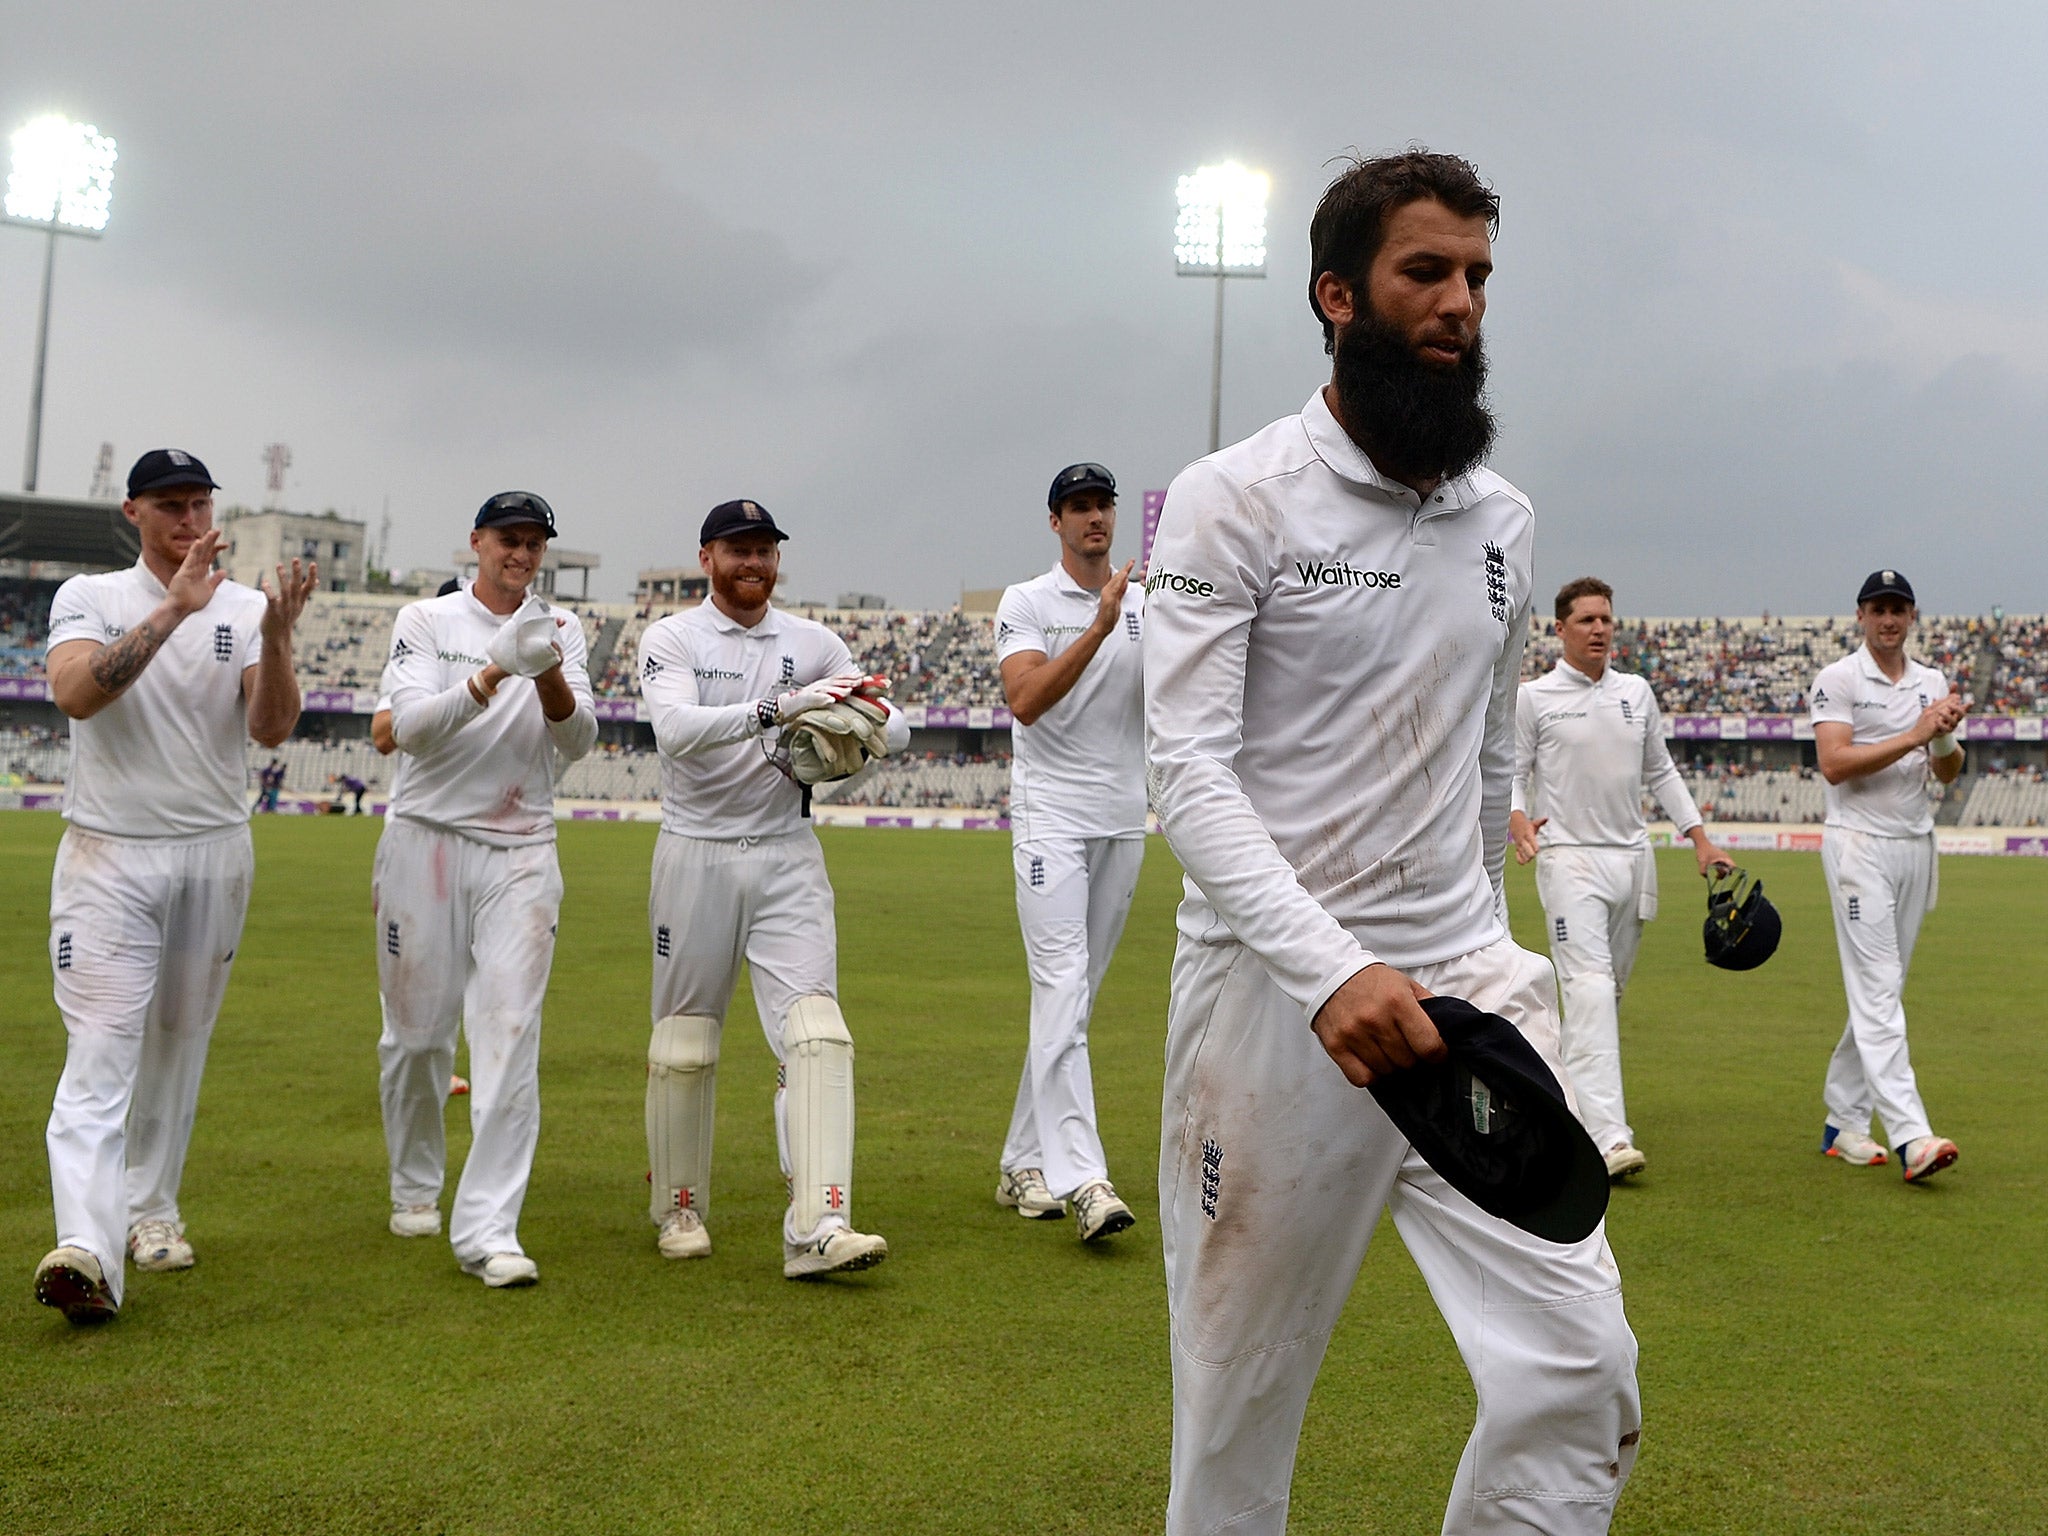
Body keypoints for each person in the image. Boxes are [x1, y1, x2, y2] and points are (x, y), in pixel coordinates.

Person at [1143, 151, 1640, 1532]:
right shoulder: (1232, 498)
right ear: (1336, 294)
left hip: (1463, 990)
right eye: (1427, 271)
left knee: (1580, 1372)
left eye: (1478, 276)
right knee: (1236, 1416)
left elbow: (1487, 754)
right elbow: (1186, 773)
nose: (1461, 302)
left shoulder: (1504, 518)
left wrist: (1477, 937)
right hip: (1278, 1004)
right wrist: (1328, 969)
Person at [33, 449, 316, 1324]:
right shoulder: (90, 597)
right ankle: (86, 1243)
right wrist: (171, 610)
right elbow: (78, 695)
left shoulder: (243, 607)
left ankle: (152, 1212)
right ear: (134, 513)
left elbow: (270, 729)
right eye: (170, 506)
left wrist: (275, 636)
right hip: (110, 853)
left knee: (177, 1043)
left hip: (213, 851)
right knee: (102, 1046)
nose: (190, 521)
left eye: (199, 504)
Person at [636, 499, 908, 1278]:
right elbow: (675, 731)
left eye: (765, 551)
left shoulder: (814, 641)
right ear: (707, 558)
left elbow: (887, 722)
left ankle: (819, 1225)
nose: (754, 563)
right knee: (685, 1041)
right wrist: (785, 708)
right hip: (697, 854)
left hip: (789, 852)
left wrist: (862, 722)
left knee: (817, 1033)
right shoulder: (674, 637)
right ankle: (680, 1205)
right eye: (739, 550)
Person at [373, 491, 596, 1288]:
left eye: (536, 543)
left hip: (522, 850)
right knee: (419, 1037)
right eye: (510, 539)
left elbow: (579, 742)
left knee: (508, 1035)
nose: (523, 554)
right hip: (425, 841)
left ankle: (490, 1230)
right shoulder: (426, 623)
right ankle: (414, 1183)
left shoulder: (563, 629)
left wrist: (547, 677)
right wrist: (498, 668)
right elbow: (409, 730)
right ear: (477, 542)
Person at [1509, 577, 1733, 1180]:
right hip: (1568, 858)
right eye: (1585, 620)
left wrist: (1700, 837)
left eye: (1605, 618)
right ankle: (1608, 1139)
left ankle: (1561, 1099)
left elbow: (1660, 770)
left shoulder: (1636, 692)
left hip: (1633, 861)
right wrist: (1517, 818)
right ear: (1559, 630)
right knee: (1586, 988)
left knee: (1602, 998)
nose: (1600, 629)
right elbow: (1513, 771)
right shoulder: (1535, 697)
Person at [990, 462, 1145, 1240]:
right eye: (1079, 507)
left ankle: (1023, 1157)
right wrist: (1097, 629)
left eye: (1103, 506)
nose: (1094, 519)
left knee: (1073, 1001)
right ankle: (1082, 1178)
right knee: (1061, 990)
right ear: (1055, 521)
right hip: (1051, 819)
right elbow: (1025, 702)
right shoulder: (1027, 602)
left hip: (1124, 822)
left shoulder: (1147, 604)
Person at [1809, 569, 1964, 1181]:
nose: (1889, 619)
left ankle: (1843, 1121)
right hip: (1858, 846)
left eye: (1898, 609)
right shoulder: (1840, 679)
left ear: (1912, 616)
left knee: (1884, 988)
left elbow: (1948, 773)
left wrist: (1944, 738)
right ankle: (1912, 1135)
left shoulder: (1932, 681)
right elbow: (1834, 764)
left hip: (1914, 843)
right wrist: (1917, 733)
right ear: (1861, 616)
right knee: (1877, 986)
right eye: (1878, 608)